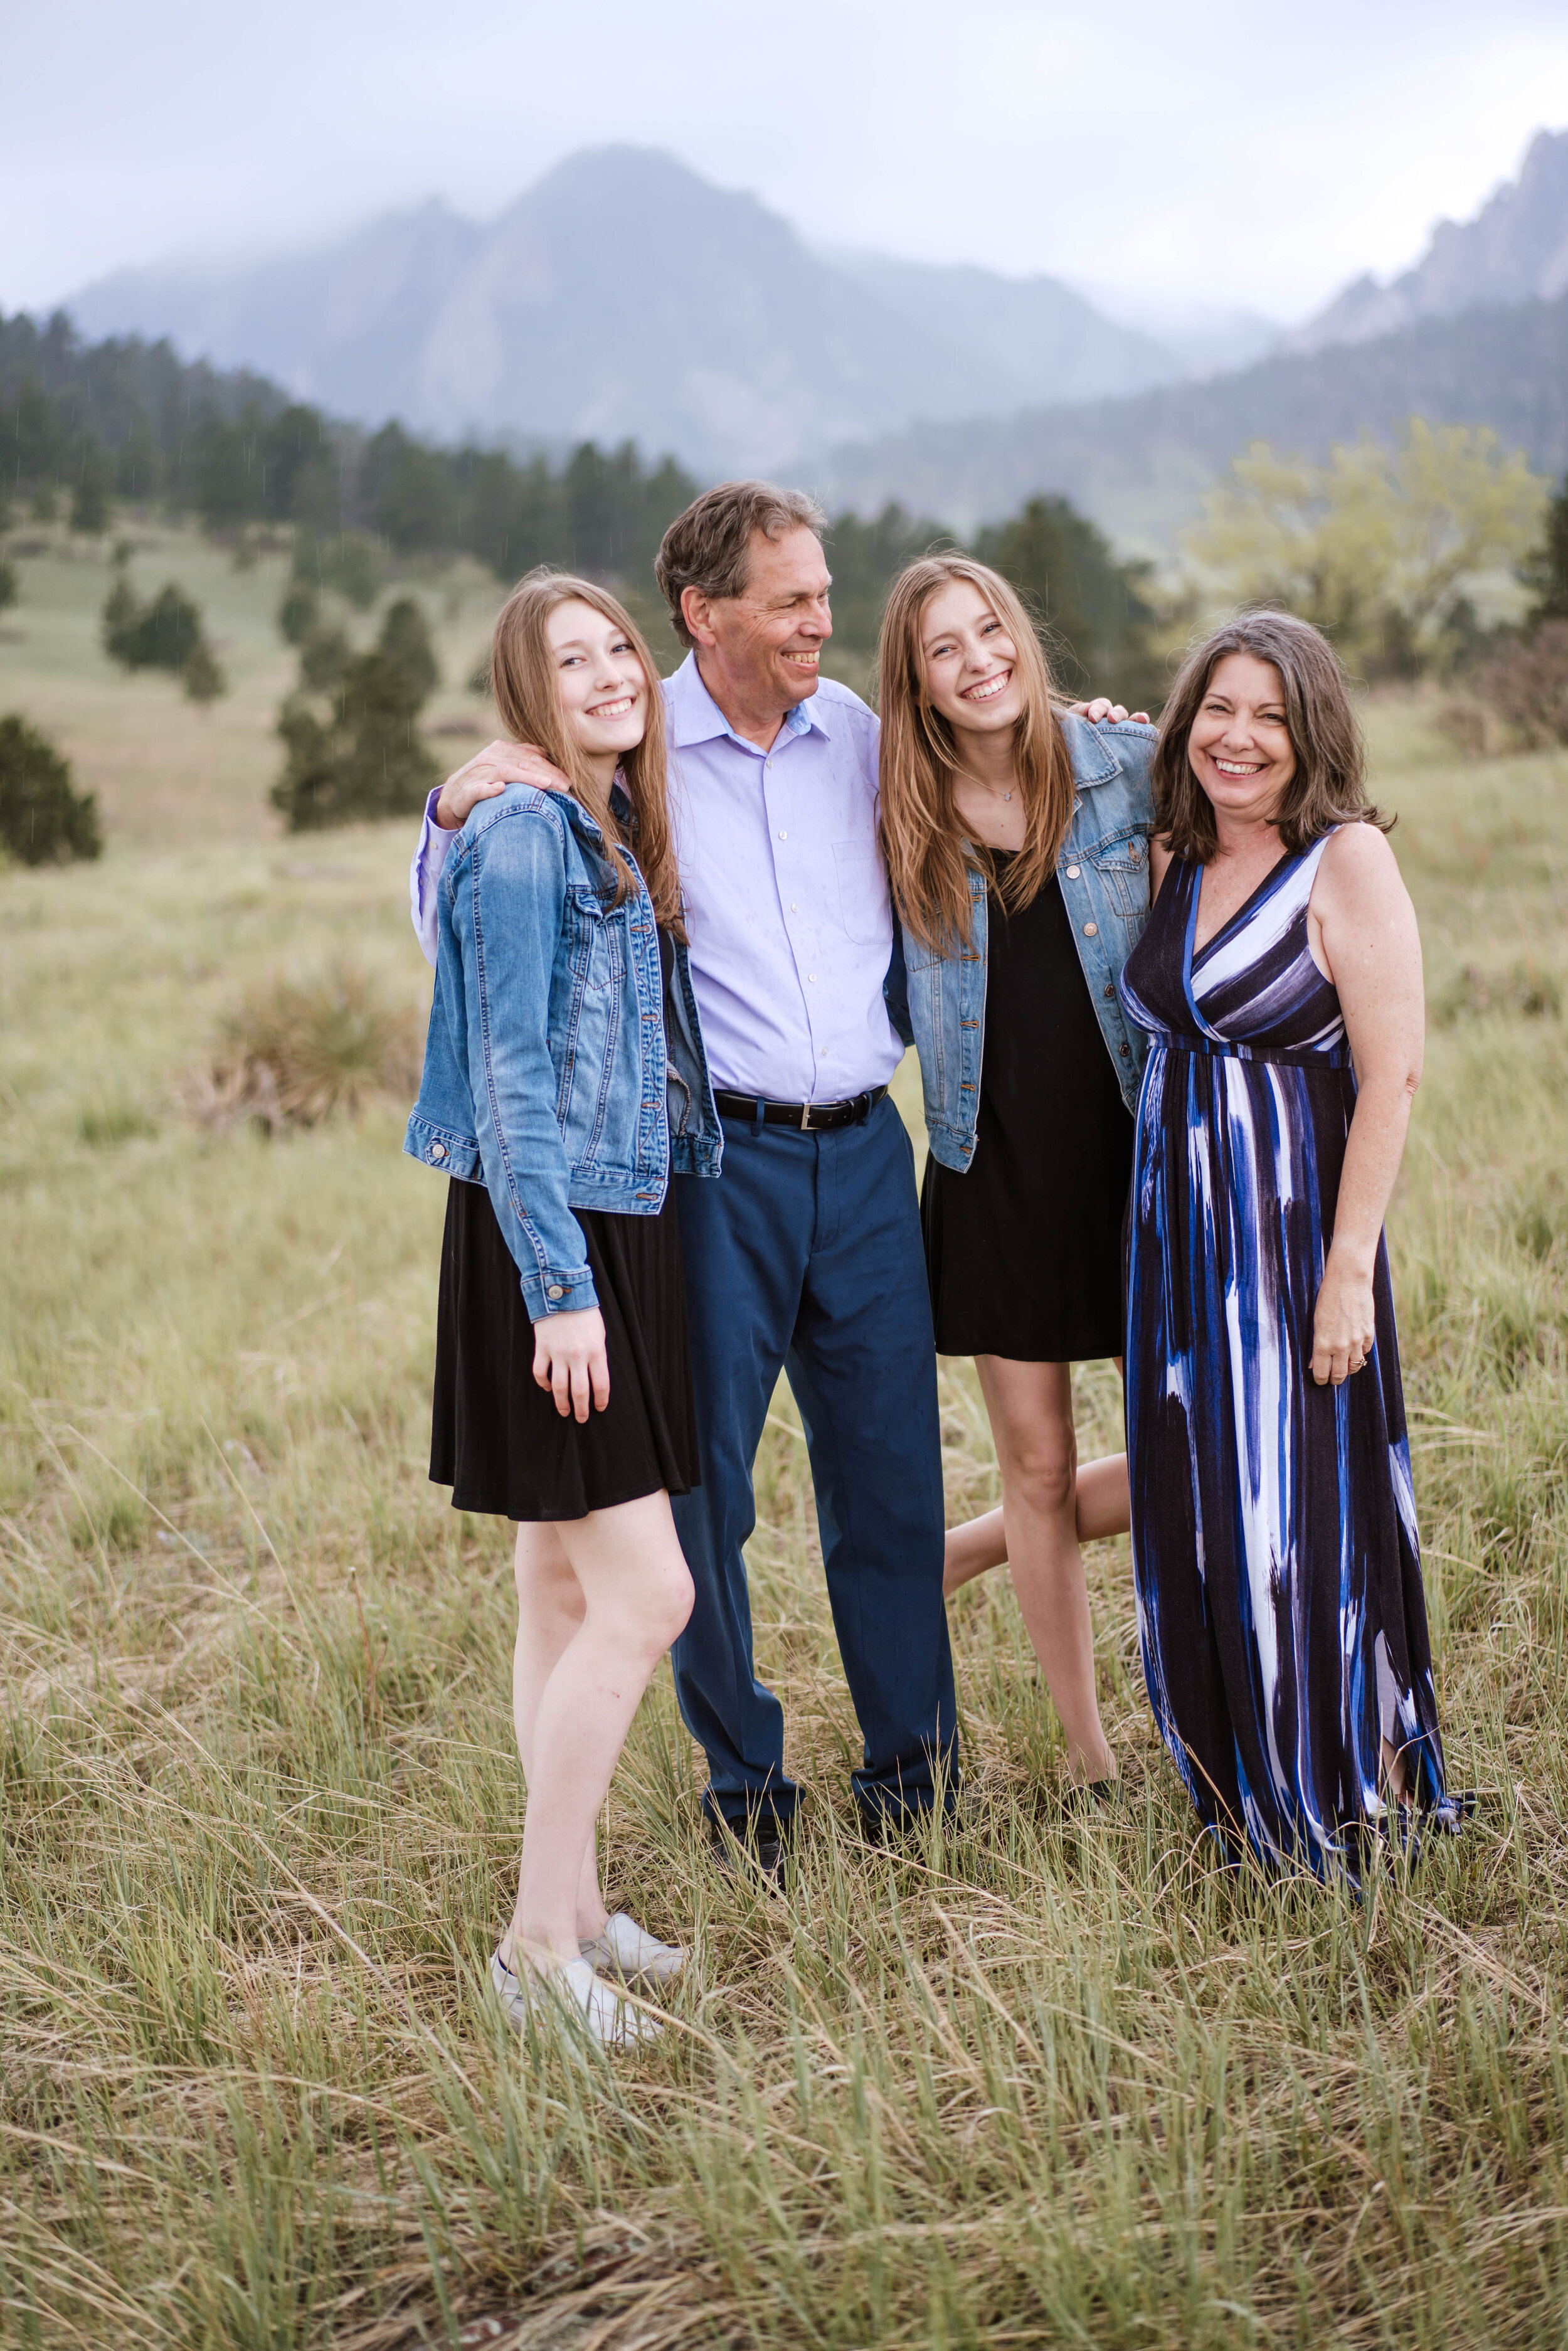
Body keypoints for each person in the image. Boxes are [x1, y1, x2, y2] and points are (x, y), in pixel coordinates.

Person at [415, 484, 958, 1877]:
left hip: (868, 1151)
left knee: (892, 1479)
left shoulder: (861, 735)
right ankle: (746, 1790)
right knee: (704, 1492)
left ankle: (914, 1775)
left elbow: (1003, 779)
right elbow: (470, 917)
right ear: (704, 612)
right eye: (787, 599)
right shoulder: (625, 737)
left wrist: (1101, 738)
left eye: (824, 593)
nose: (818, 621)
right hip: (717, 1167)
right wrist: (445, 801)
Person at [405, 570, 723, 2042]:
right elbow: (513, 1079)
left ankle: (579, 1903)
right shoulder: (526, 831)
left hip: (615, 1220)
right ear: (526, 695)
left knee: (558, 1582)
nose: (607, 673)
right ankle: (537, 1950)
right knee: (649, 1594)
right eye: (568, 659)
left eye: (616, 647)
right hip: (559, 1239)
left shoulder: (606, 814)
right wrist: (561, 1294)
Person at [1118, 610, 1466, 1874]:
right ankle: (1226, 1794)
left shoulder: (1343, 862)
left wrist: (1343, 1276)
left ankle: (1317, 1796)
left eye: (1268, 714)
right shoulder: (1168, 845)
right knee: (1189, 1507)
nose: (1238, 735)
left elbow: (1392, 1075)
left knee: (1286, 1520)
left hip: (1285, 1244)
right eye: (1218, 707)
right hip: (1168, 1243)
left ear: (1308, 728)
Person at [876, 556, 1153, 1793]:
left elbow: (1286, 802)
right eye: (944, 647)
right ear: (916, 681)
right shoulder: (894, 813)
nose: (977, 658)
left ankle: (967, 1550)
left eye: (990, 628)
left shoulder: (1128, 763)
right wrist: (463, 793)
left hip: (1138, 1156)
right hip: (993, 1171)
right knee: (1035, 1465)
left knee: (1190, 1448)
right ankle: (1088, 1755)